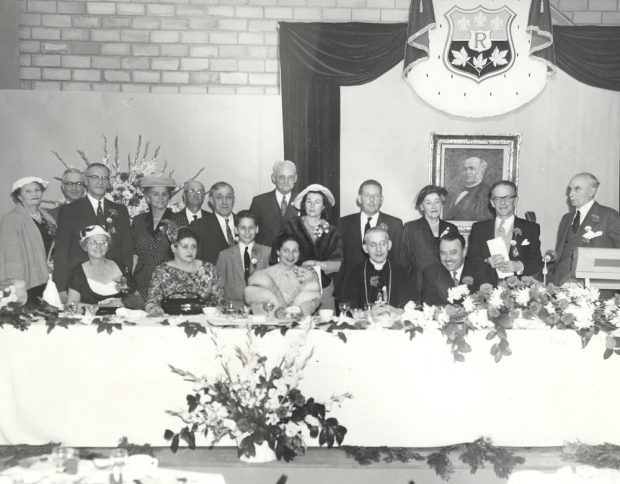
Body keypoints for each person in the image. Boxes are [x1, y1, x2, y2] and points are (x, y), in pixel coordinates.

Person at [53, 163, 132, 297]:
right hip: (80, 282)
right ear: (85, 180)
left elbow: (127, 250)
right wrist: (61, 288)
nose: (100, 182)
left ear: (109, 182)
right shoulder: (69, 210)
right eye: (95, 177)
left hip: (114, 281)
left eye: (104, 178)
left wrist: (126, 279)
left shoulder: (120, 210)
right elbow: (61, 253)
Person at [466, 181, 542, 287]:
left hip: (518, 291)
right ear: (492, 203)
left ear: (515, 201)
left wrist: (519, 266)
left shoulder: (531, 228)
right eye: (497, 198)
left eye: (507, 198)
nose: (502, 203)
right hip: (485, 289)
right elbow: (471, 259)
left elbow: (537, 261)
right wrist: (487, 261)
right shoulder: (478, 228)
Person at [551, 172, 620, 287]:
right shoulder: (566, 219)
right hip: (560, 284)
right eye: (570, 189)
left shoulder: (609, 216)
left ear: (592, 191)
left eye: (577, 189)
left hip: (594, 287)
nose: (570, 194)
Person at [336, 179, 403, 297]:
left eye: (376, 196)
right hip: (351, 288)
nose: (372, 200)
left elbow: (397, 258)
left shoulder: (395, 224)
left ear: (381, 199)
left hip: (383, 288)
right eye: (367, 195)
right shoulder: (344, 223)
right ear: (359, 198)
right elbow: (339, 258)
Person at [282, 184, 343, 310]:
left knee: (325, 325)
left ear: (323, 206)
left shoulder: (332, 231)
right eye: (308, 201)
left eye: (317, 202)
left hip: (324, 289)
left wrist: (315, 263)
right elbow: (281, 256)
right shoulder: (292, 226)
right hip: (296, 287)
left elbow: (337, 264)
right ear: (304, 204)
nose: (312, 205)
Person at [0, 177, 57, 304]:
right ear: (19, 197)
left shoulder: (47, 217)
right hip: (27, 282)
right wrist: (18, 284)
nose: (34, 194)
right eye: (28, 191)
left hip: (49, 279)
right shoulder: (11, 219)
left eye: (37, 190)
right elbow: (10, 255)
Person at [145, 227, 224, 316]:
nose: (190, 251)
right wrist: (154, 309)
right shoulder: (162, 271)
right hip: (171, 323)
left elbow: (220, 301)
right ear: (174, 248)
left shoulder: (208, 269)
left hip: (205, 320)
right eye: (185, 247)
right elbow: (151, 301)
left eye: (193, 247)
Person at [399, 185, 459, 298]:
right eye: (428, 203)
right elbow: (403, 265)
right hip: (419, 289)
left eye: (437, 202)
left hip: (447, 289)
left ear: (441, 203)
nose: (433, 206)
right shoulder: (411, 228)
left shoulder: (451, 228)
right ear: (421, 206)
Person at [244, 233, 321, 316]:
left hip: (299, 324)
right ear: (278, 251)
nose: (290, 256)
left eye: (294, 251)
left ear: (299, 253)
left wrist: (299, 311)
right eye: (286, 251)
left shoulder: (307, 274)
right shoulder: (264, 275)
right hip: (271, 324)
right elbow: (256, 303)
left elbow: (314, 301)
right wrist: (276, 312)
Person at [342, 225, 413, 309]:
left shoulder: (401, 272)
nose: (378, 249)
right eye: (373, 244)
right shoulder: (355, 272)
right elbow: (350, 307)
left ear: (389, 245)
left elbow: (407, 305)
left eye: (382, 244)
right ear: (365, 248)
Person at [66, 225, 137, 307]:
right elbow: (71, 306)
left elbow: (137, 300)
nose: (99, 246)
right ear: (84, 246)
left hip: (124, 319)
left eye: (103, 242)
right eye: (93, 242)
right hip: (91, 319)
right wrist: (106, 306)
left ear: (108, 246)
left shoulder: (120, 266)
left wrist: (126, 301)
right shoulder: (77, 272)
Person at [131, 176, 178, 300]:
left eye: (164, 194)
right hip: (141, 282)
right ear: (147, 198)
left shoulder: (178, 220)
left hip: (169, 284)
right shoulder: (138, 221)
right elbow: (134, 253)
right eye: (156, 194)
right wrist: (130, 283)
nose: (161, 198)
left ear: (169, 197)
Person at [216, 210, 271, 308]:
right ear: (236, 230)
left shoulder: (267, 252)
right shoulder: (225, 255)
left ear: (257, 229)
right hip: (232, 309)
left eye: (251, 228)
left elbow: (271, 285)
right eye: (243, 228)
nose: (247, 232)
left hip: (260, 308)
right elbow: (219, 287)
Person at [250, 160, 299, 247]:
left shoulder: (303, 200)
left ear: (295, 178)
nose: (286, 181)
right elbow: (251, 233)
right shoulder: (259, 202)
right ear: (273, 178)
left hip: (294, 257)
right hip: (266, 257)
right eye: (281, 177)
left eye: (290, 177)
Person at [421, 233, 476, 306]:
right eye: (443, 253)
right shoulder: (430, 273)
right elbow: (429, 306)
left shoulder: (481, 270)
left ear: (464, 252)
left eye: (453, 253)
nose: (447, 258)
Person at [190, 181, 237, 264]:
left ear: (233, 199)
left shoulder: (246, 223)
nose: (224, 202)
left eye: (228, 197)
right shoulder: (199, 227)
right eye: (219, 197)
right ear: (211, 200)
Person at [444, 156, 492, 221]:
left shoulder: (487, 192)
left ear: (481, 171)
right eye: (465, 169)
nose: (467, 172)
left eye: (471, 168)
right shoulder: (455, 192)